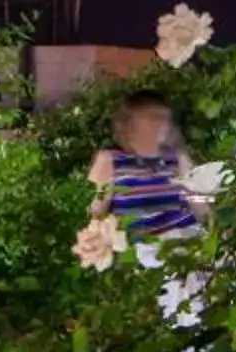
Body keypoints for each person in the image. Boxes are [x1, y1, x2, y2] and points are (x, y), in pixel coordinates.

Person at [85, 91, 203, 242]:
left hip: (189, 243)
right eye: (154, 118)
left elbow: (201, 205)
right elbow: (96, 212)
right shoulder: (110, 160)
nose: (162, 125)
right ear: (129, 125)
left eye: (164, 119)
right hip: (141, 251)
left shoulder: (178, 159)